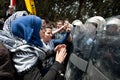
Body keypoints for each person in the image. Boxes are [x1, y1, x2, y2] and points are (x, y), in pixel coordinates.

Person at [0, 15, 67, 80]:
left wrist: (53, 51)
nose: (44, 31)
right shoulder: (23, 55)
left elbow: (37, 55)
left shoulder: (28, 46)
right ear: (30, 31)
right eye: (40, 28)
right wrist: (57, 63)